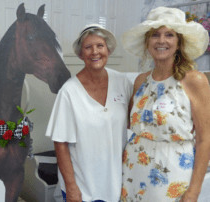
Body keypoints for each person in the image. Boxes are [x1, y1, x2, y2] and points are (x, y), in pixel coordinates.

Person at [120, 7, 210, 202]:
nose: (161, 41)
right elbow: (131, 125)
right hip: (133, 171)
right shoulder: (140, 81)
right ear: (147, 42)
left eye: (169, 35)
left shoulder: (195, 80)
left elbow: (205, 139)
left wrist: (193, 192)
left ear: (179, 43)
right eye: (155, 35)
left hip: (171, 176)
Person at [45, 24, 133, 202]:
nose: (95, 52)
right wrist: (71, 187)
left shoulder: (123, 82)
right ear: (80, 54)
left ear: (108, 49)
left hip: (118, 182)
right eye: (88, 47)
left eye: (100, 46)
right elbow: (60, 143)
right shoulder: (69, 92)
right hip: (83, 187)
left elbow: (134, 122)